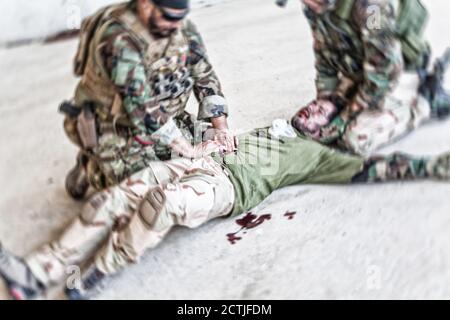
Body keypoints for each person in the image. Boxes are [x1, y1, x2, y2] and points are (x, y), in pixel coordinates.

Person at [1, 120, 449, 300]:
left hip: (227, 186)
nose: (318, 112)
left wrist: (431, 165)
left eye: (330, 116)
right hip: (202, 160)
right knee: (114, 198)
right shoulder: (283, 125)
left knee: (163, 205)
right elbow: (213, 126)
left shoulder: (321, 154)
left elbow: (379, 167)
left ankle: (95, 273)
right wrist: (207, 137)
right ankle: (37, 273)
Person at [62, 0, 237, 200]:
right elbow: (140, 105)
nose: (176, 26)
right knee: (146, 195)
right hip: (120, 130)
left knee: (211, 163)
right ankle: (91, 166)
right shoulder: (118, 37)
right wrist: (189, 150)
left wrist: (221, 127)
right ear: (145, 5)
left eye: (181, 17)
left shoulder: (182, 29)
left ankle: (168, 150)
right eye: (170, 17)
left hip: (168, 120)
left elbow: (205, 76)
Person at [289, 0, 450, 155]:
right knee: (305, 123)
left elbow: (385, 71)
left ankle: (424, 100)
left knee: (356, 139)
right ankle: (354, 98)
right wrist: (326, 98)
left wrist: (344, 118)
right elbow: (323, 49)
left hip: (398, 74)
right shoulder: (312, 5)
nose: (307, 4)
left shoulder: (373, 6)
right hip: (364, 69)